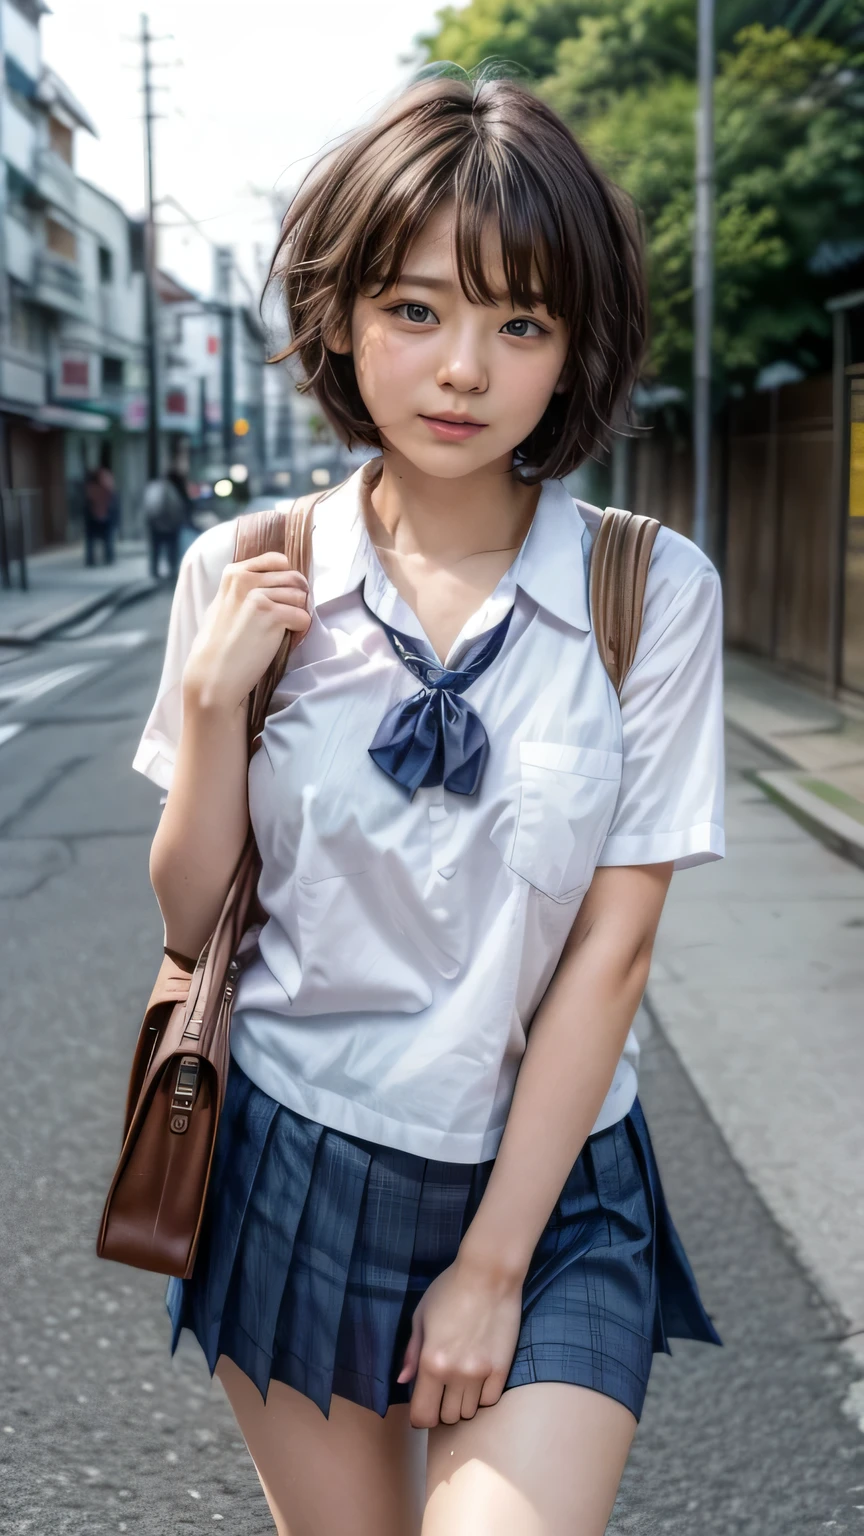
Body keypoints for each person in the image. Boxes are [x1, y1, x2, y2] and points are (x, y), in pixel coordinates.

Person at [133, 71, 724, 1536]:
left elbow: (615, 950)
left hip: (556, 1181)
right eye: (415, 310)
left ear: (572, 347)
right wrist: (214, 710)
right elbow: (195, 912)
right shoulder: (243, 567)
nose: (462, 368)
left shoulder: (646, 594)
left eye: (518, 322)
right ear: (341, 319)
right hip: (292, 1159)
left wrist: (493, 1263)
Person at [142, 467, 190, 581]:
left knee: (155, 549)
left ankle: (154, 571)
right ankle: (171, 570)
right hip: (170, 524)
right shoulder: (174, 489)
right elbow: (179, 508)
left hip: (155, 523)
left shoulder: (155, 487)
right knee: (171, 548)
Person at [83, 462, 117, 566]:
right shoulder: (100, 488)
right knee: (103, 540)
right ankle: (105, 558)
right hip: (99, 518)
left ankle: (99, 559)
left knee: (97, 540)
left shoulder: (91, 488)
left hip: (98, 517)